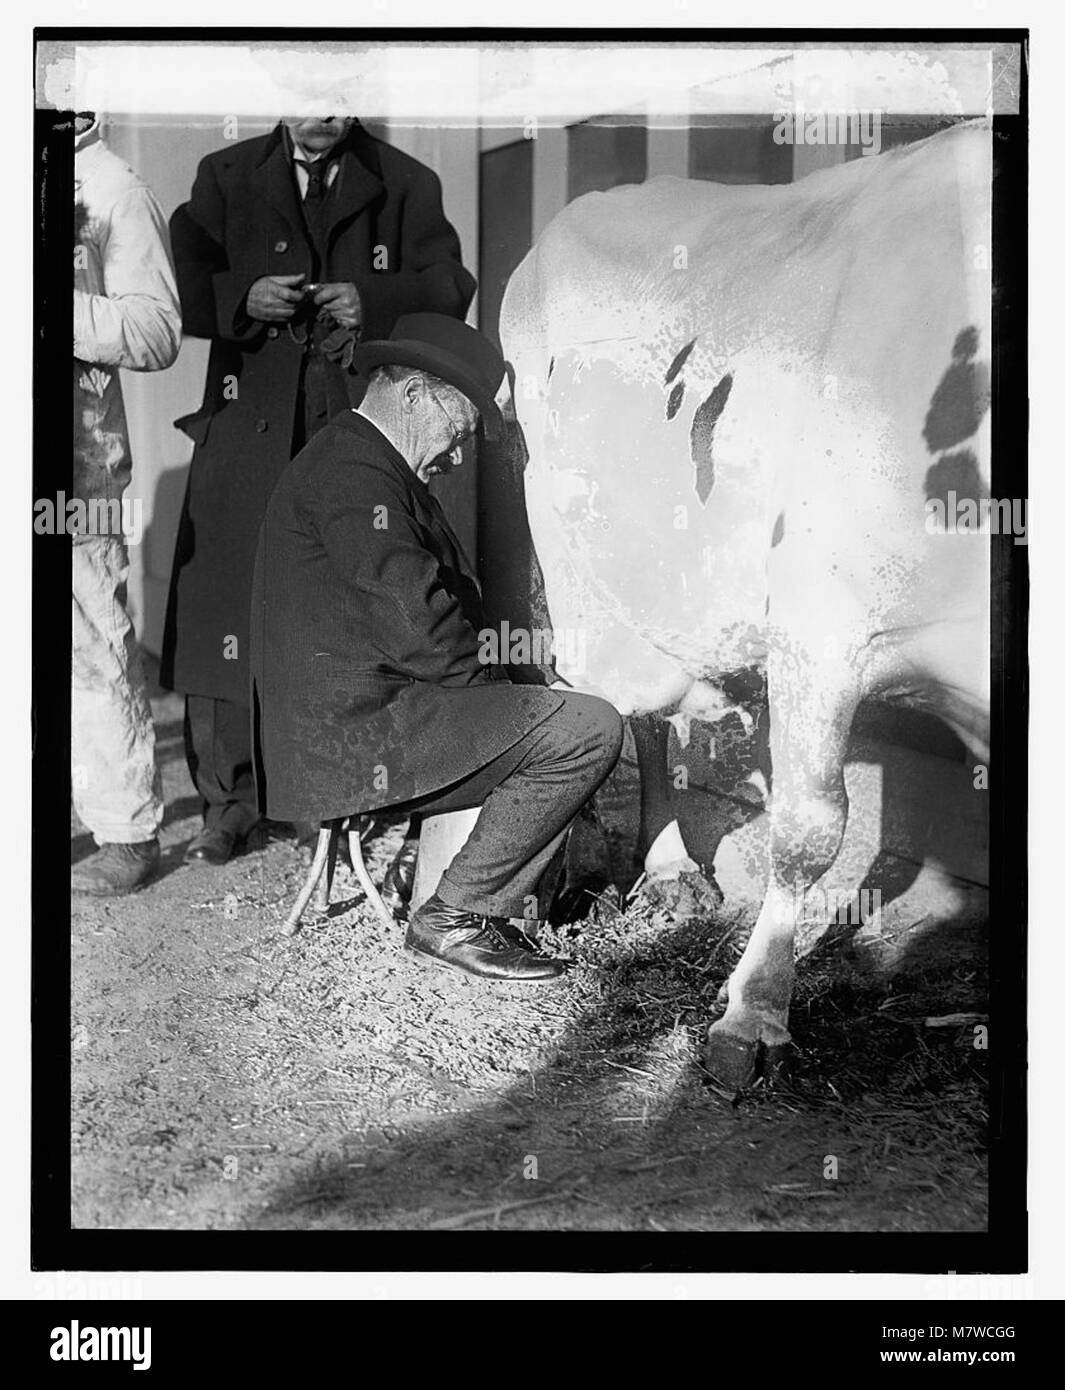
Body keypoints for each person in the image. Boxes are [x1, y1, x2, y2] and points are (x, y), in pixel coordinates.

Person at [251, 314, 624, 982]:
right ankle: (454, 915)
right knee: (588, 728)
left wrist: (522, 691)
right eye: (458, 429)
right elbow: (419, 624)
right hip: (354, 739)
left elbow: (432, 614)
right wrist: (521, 708)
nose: (457, 454)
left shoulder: (362, 463)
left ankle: (478, 900)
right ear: (415, 395)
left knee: (559, 716)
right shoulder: (354, 475)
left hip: (367, 714)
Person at [161, 116, 475, 865]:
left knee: (359, 599)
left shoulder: (405, 181)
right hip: (247, 428)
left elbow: (447, 285)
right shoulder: (225, 176)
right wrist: (244, 296)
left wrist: (369, 295)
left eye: (336, 101)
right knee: (227, 607)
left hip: (351, 424)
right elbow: (175, 284)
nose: (320, 117)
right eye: (304, 100)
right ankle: (230, 800)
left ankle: (340, 793)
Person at [71, 113, 182, 896]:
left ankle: (124, 828)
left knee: (92, 641)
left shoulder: (115, 188)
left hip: (74, 466)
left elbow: (155, 331)